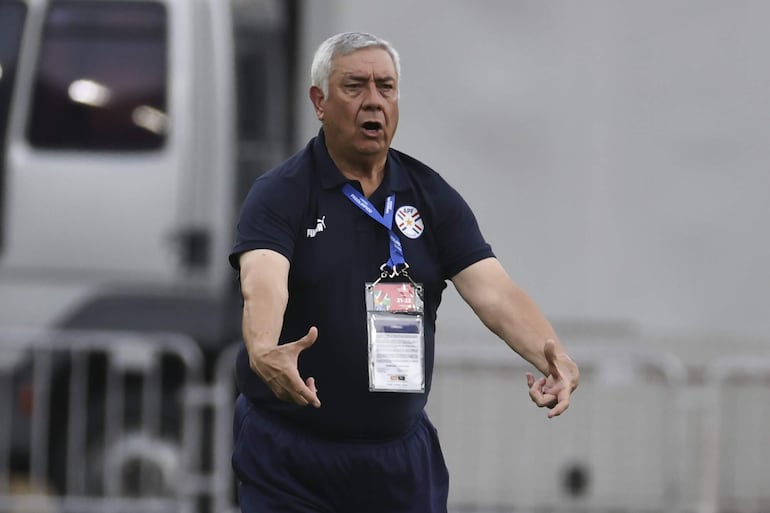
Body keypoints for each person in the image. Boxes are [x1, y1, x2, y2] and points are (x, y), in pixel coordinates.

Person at [229, 31, 579, 513]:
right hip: (291, 456)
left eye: (386, 87)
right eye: (354, 87)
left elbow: (494, 291)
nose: (373, 101)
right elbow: (262, 280)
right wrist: (264, 348)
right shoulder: (282, 193)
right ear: (320, 101)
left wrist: (552, 354)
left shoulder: (431, 197)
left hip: (397, 462)